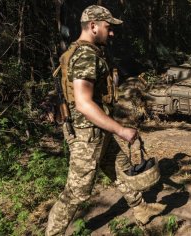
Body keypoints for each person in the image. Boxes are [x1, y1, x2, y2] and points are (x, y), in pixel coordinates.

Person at [46, 5, 165, 235]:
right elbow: (83, 103)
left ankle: (141, 208)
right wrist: (121, 130)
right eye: (107, 27)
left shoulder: (84, 52)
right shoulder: (86, 56)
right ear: (93, 26)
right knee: (75, 193)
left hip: (98, 131)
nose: (111, 33)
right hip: (86, 136)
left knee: (121, 169)